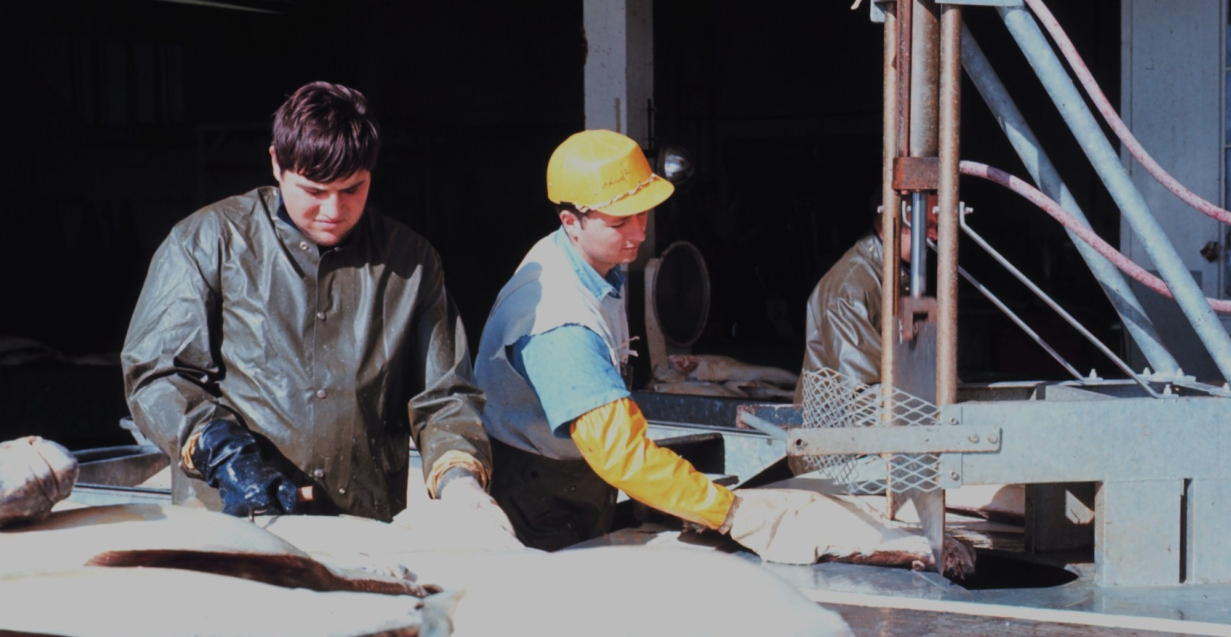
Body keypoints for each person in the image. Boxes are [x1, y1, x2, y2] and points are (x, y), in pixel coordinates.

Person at [122, 82, 502, 525]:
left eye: (352, 189)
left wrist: (461, 481)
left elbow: (444, 396)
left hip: (367, 523)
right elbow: (156, 373)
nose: (333, 210)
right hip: (237, 520)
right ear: (276, 165)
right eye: (314, 191)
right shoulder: (208, 241)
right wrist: (223, 452)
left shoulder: (411, 262)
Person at [472, 128, 810, 559]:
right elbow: (621, 456)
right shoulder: (559, 321)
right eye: (619, 222)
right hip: (539, 497)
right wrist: (732, 514)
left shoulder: (585, 258)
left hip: (573, 473)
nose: (637, 233)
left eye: (642, 214)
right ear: (570, 220)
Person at [797, 190, 939, 392]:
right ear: (892, 220)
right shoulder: (849, 289)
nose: (935, 236)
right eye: (927, 225)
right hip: (840, 421)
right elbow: (863, 391)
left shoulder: (902, 278)